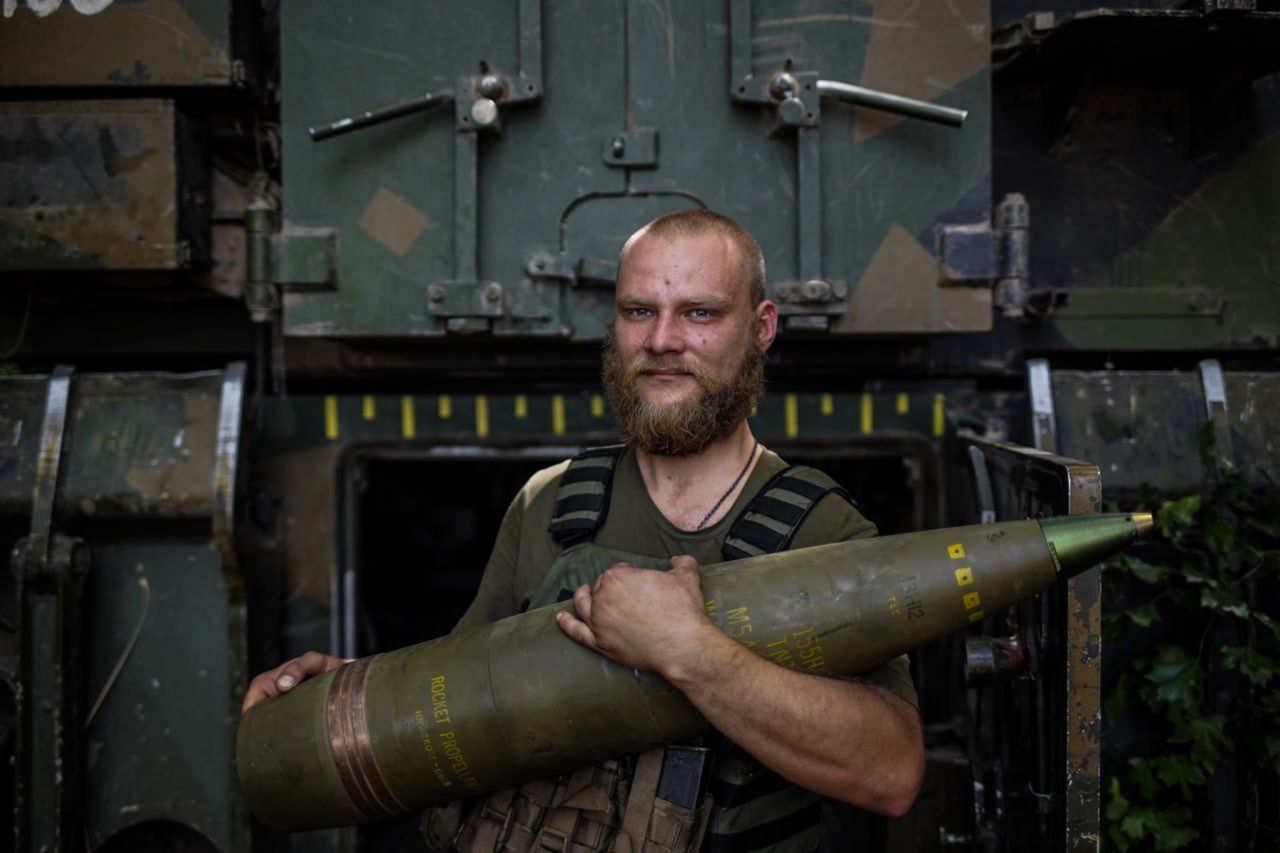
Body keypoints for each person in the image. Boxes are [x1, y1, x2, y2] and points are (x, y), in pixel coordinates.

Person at [244, 210, 925, 851]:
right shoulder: (551, 502)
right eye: (638, 311)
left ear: (762, 326)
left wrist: (690, 651)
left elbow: (891, 773)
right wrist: (339, 701)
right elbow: (455, 707)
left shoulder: (820, 529)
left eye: (700, 312)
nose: (662, 340)